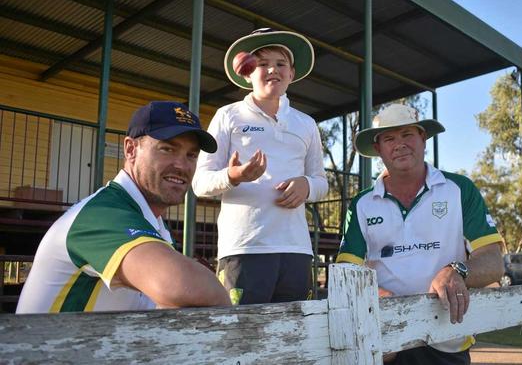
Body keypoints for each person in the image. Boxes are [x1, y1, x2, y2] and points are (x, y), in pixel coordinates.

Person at [16, 101, 231, 313]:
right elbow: (185, 286)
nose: (182, 165)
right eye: (167, 149)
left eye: (191, 155)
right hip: (46, 347)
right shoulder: (101, 215)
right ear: (130, 149)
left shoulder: (153, 224)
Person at [336, 104, 504, 364]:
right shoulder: (362, 204)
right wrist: (383, 299)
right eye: (389, 138)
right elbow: (347, 274)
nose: (399, 144)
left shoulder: (459, 189)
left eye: (407, 135)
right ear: (378, 148)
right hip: (385, 342)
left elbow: (493, 262)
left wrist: (457, 270)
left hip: (446, 341)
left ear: (423, 138)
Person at [192, 29, 328, 305]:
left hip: (296, 251)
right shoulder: (227, 115)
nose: (272, 70)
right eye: (262, 64)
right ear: (247, 73)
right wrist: (233, 176)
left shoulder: (306, 124)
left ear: (292, 74)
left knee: (294, 338)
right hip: (244, 249)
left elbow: (321, 182)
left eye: (281, 64)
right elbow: (200, 183)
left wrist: (306, 185)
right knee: (241, 340)